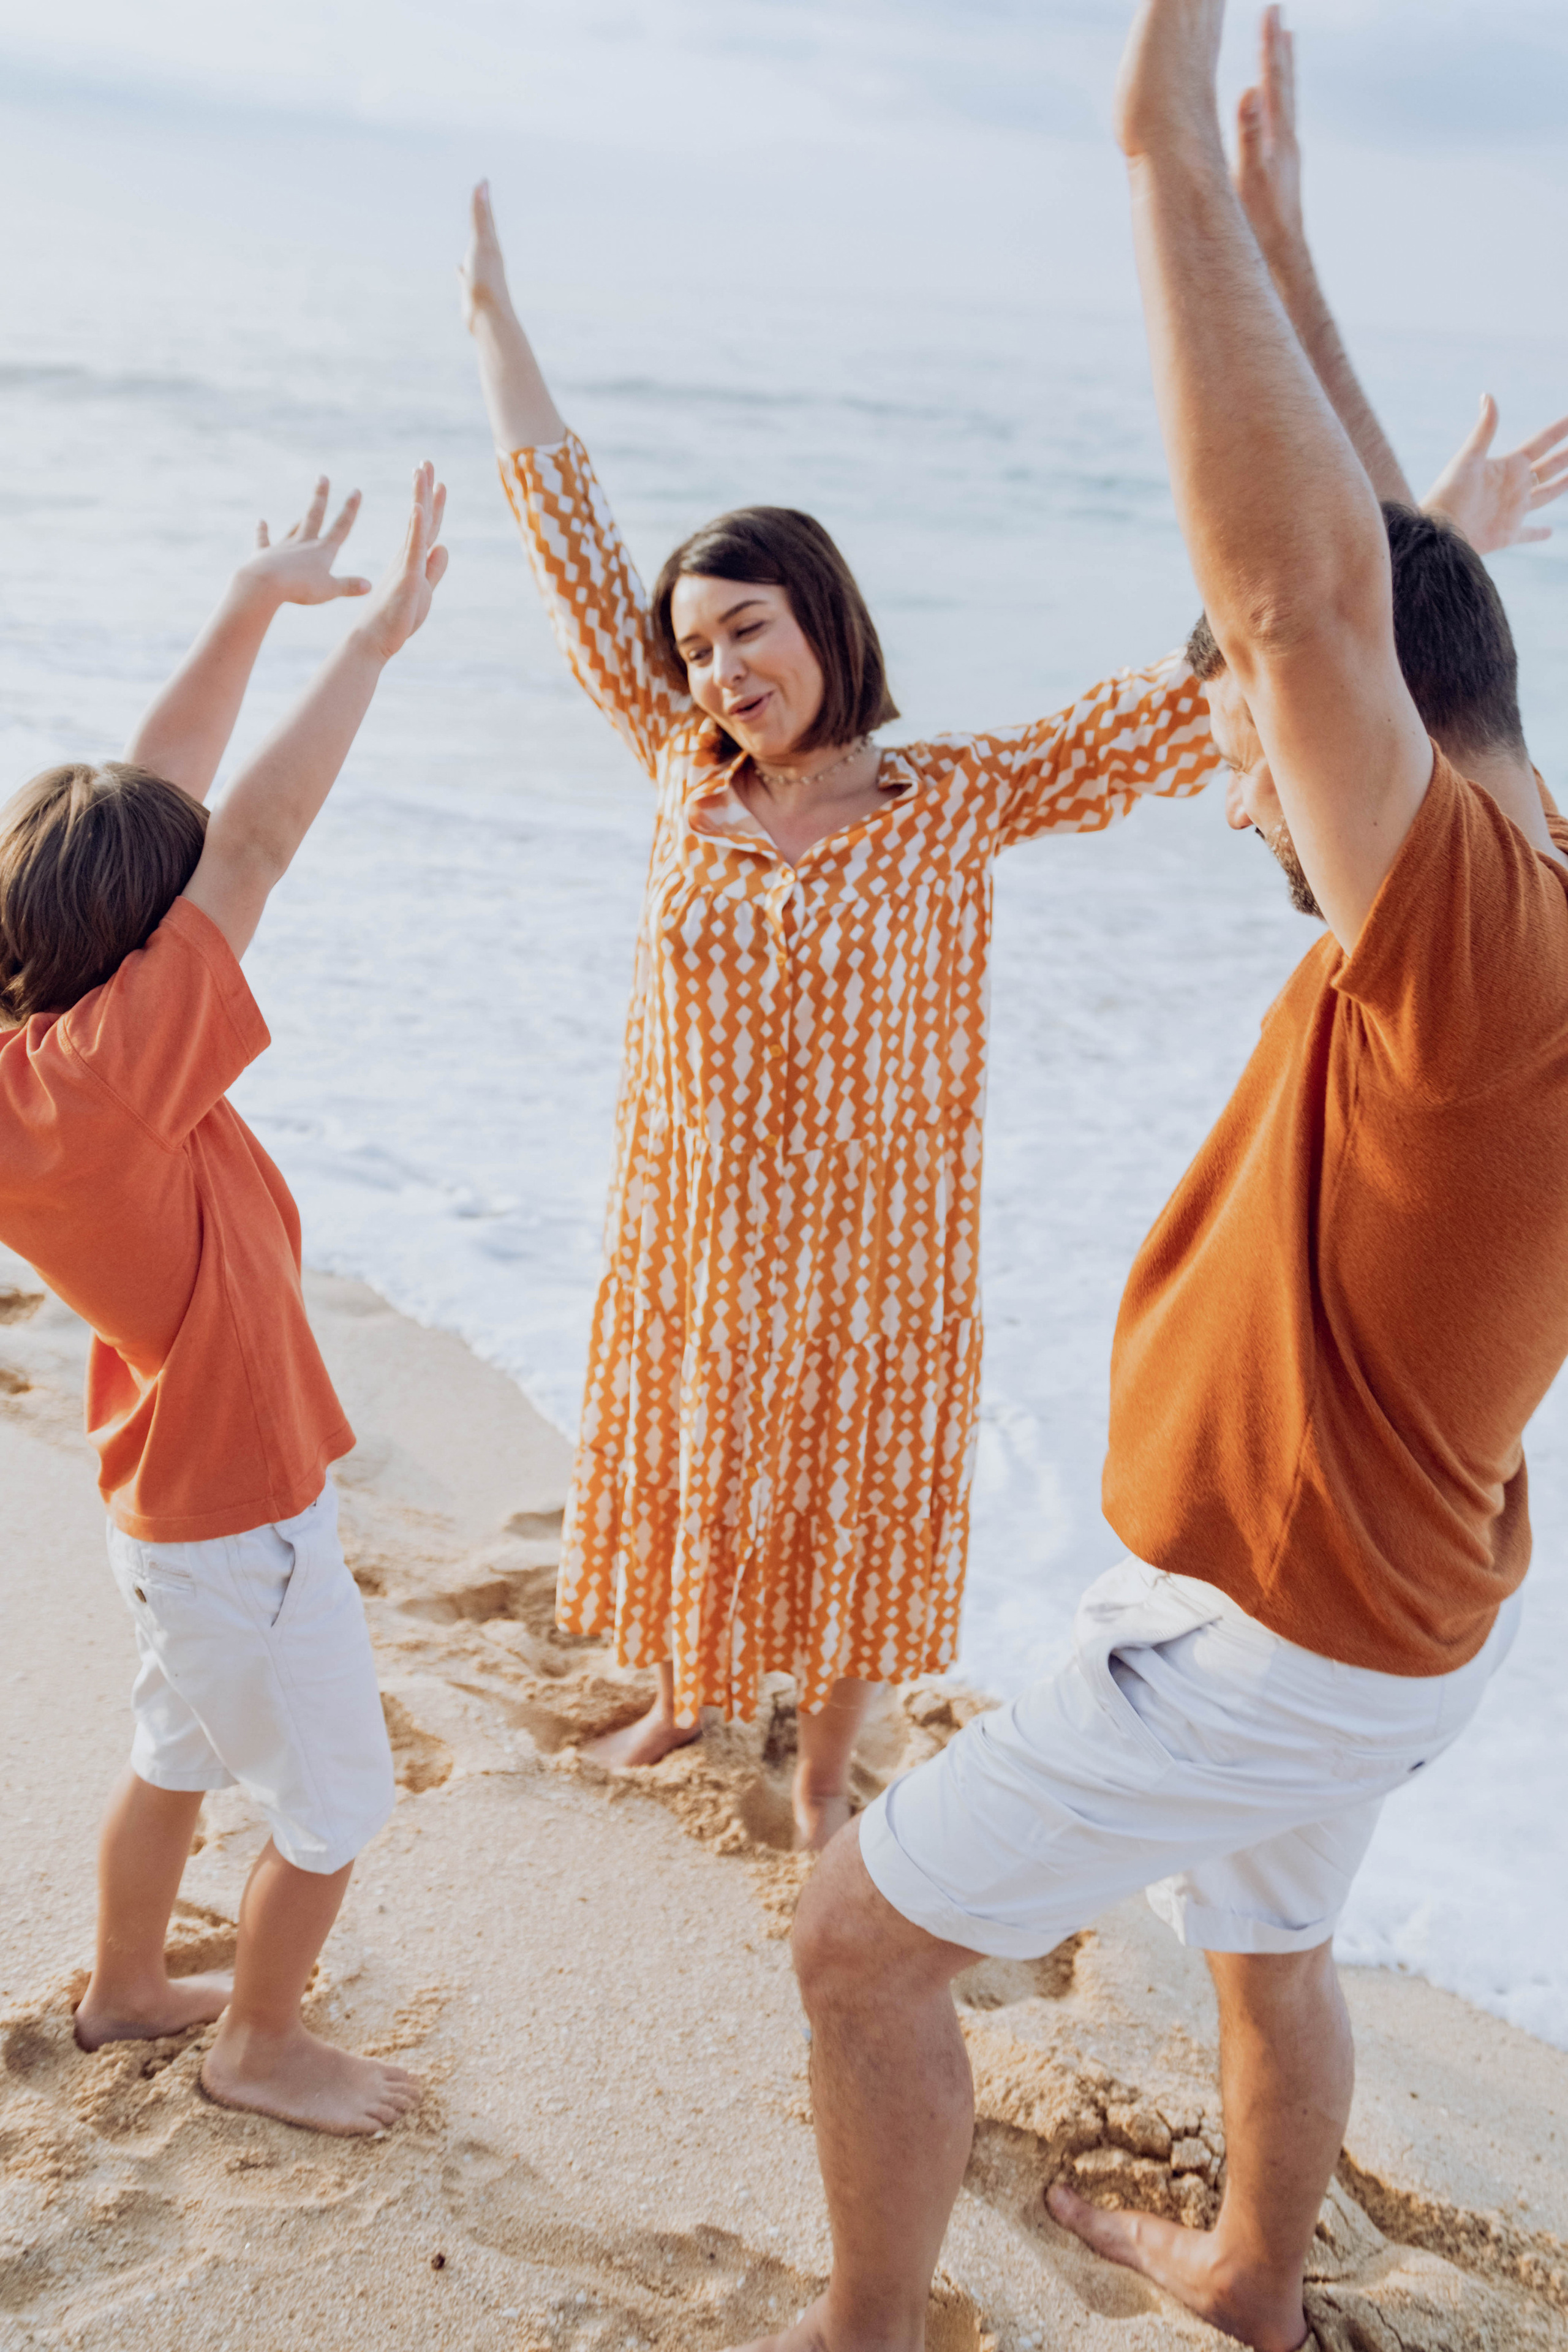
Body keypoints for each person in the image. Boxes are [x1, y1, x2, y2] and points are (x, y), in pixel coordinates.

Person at [729, 0, 1568, 2345]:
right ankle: (1252, 2294)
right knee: (1270, 1951)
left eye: (1233, 739)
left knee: (856, 1941)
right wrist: (1289, 261)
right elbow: (1389, 594)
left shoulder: (1482, 965)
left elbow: (1314, 603)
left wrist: (1158, 141)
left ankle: (867, 2331)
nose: (1228, 775)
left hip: (1282, 1650)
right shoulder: (1526, 868)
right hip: (1396, 1626)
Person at [460, 181, 1224, 1847]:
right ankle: (681, 1693)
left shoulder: (957, 798)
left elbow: (1186, 708)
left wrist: (1395, 552)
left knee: (859, 1501)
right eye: (700, 646)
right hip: (698, 1221)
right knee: (690, 1452)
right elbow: (573, 557)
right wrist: (500, 333)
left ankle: (821, 1774)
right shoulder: (680, 767)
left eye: (749, 629)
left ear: (825, 617)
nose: (723, 670)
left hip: (881, 1245)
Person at [0, 466, 449, 2136]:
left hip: (165, 1500)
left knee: (176, 1747)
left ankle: (125, 1987)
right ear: (139, 954)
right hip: (238, 1510)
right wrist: (374, 644)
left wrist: (255, 601)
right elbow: (246, 838)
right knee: (334, 1803)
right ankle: (261, 2045)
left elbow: (152, 813)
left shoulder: (39, 1044)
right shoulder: (119, 1080)